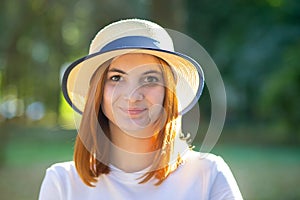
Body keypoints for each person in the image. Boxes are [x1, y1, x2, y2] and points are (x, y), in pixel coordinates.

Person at [39, 18, 243, 200]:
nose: (133, 96)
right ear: (97, 93)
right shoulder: (62, 183)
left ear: (168, 92)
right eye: (116, 78)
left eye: (150, 79)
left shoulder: (208, 175)